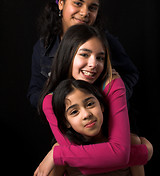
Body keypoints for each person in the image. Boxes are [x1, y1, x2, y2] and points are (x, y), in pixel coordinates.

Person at [34, 24, 152, 176]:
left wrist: (58, 155)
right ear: (68, 55)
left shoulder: (112, 85)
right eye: (84, 54)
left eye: (100, 58)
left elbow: (120, 153)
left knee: (134, 140)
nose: (93, 64)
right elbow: (80, 165)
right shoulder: (50, 101)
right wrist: (141, 153)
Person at [27, 0, 139, 108]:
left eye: (92, 8)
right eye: (78, 3)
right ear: (61, 3)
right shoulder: (43, 47)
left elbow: (130, 73)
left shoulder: (105, 41)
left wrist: (113, 99)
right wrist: (59, 104)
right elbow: (34, 92)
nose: (85, 12)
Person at [44, 79, 151, 176]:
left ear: (102, 106)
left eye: (90, 104)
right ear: (66, 122)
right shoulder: (61, 151)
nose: (86, 114)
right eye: (74, 112)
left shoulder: (131, 142)